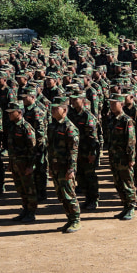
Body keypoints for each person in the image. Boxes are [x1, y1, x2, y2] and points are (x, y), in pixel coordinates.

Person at [47, 97, 81, 233]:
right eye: (52, 108)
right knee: (61, 195)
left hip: (66, 167)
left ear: (65, 110)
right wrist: (50, 166)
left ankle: (75, 220)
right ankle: (69, 219)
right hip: (56, 166)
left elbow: (73, 151)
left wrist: (71, 169)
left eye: (56, 108)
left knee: (69, 194)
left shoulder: (70, 128)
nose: (53, 111)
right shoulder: (52, 125)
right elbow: (50, 148)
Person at [3, 101, 38, 222]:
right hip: (16, 164)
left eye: (11, 113)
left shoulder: (26, 128)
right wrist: (10, 163)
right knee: (20, 188)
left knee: (29, 189)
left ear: (19, 113)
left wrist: (31, 166)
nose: (9, 115)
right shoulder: (12, 126)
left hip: (25, 164)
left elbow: (33, 149)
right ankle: (25, 210)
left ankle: (31, 212)